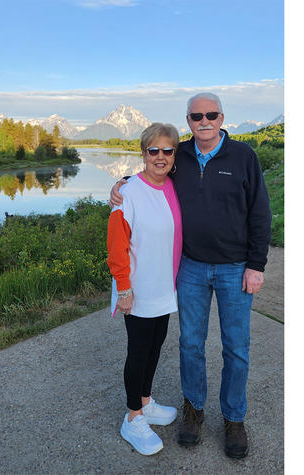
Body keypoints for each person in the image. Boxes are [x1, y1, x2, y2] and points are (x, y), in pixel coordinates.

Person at [110, 92, 271, 459]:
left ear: (221, 117)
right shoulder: (178, 153)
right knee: (190, 345)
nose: (204, 121)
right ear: (188, 120)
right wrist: (119, 183)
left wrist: (256, 265)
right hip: (192, 268)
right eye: (196, 116)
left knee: (236, 348)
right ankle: (193, 411)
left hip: (234, 269)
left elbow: (260, 214)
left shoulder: (243, 156)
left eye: (211, 114)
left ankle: (233, 418)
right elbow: (150, 168)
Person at [107, 123, 181, 455]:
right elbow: (116, 245)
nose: (161, 157)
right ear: (143, 154)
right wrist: (123, 289)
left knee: (155, 346)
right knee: (138, 352)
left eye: (168, 150)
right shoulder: (128, 192)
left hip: (164, 285)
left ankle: (146, 402)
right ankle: (133, 417)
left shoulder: (172, 186)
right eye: (154, 150)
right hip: (137, 288)